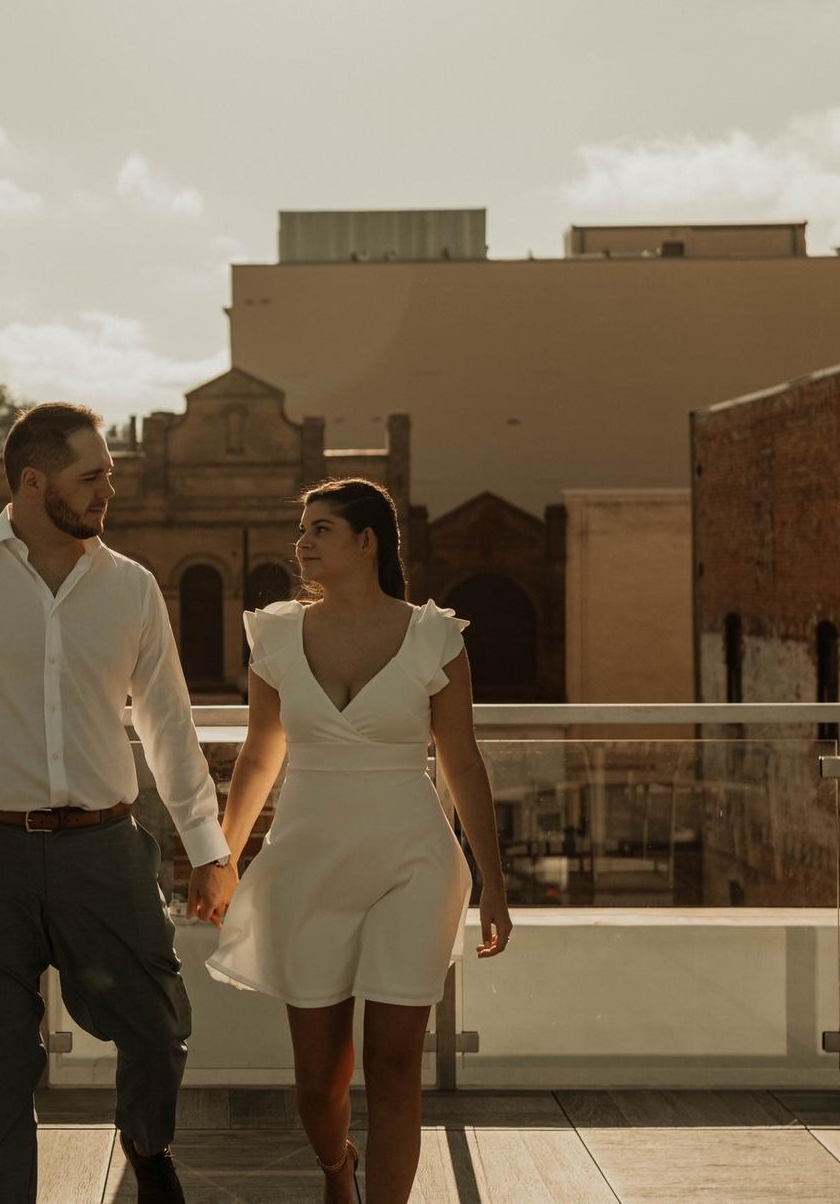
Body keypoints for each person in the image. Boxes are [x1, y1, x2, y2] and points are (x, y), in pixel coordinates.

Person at [0, 401, 238, 1204]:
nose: (109, 491)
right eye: (91, 476)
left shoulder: (132, 587)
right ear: (33, 483)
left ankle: (148, 1148)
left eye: (110, 474)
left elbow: (169, 723)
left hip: (104, 850)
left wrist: (208, 846)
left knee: (158, 1027)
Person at [204, 477, 512, 1203]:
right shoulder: (275, 636)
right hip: (306, 866)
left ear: (368, 541)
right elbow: (258, 755)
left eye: (322, 530)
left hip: (414, 864)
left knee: (396, 1067)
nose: (303, 544)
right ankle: (336, 1167)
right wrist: (223, 858)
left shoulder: (434, 637)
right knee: (319, 1082)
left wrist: (494, 885)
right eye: (303, 530)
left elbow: (463, 763)